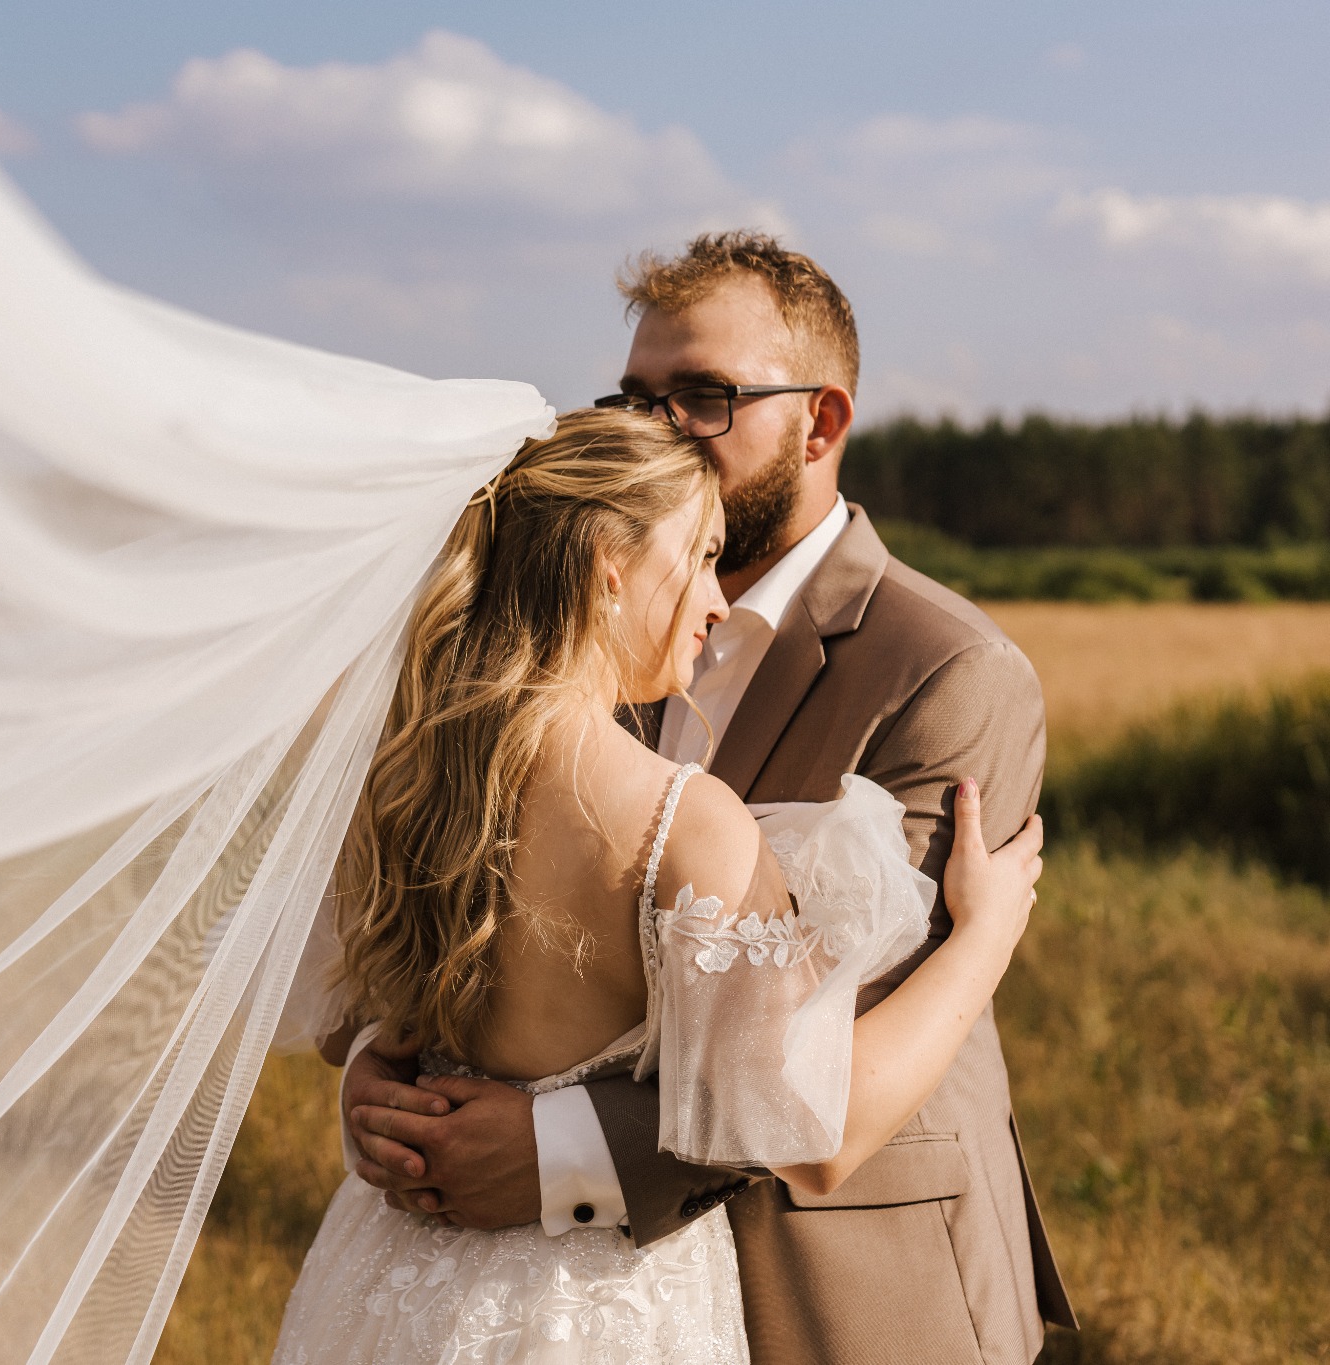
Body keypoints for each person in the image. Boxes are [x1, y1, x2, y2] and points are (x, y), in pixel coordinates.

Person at [342, 233, 1077, 1364]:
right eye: (635, 398)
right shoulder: (575, 642)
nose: (654, 431)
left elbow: (825, 1067)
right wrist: (395, 1088)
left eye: (701, 397)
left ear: (820, 422)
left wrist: (550, 1148)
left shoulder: (947, 670)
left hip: (841, 1282)